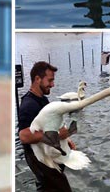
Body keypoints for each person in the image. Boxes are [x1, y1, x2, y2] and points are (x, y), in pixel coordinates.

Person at [17, 61, 74, 192]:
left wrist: (67, 141)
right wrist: (59, 135)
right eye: (50, 80)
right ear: (37, 79)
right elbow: (24, 136)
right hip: (40, 161)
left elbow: (49, 126)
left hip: (48, 158)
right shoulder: (29, 105)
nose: (53, 84)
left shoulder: (42, 99)